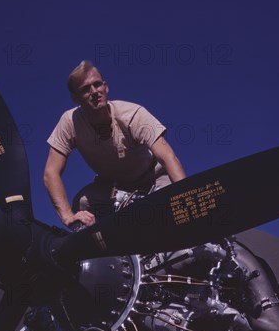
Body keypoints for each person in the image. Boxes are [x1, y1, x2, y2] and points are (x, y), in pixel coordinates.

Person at [44, 60, 186, 227]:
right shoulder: (69, 122)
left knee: (175, 208)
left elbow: (168, 157)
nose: (94, 91)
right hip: (113, 187)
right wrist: (68, 217)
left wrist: (185, 196)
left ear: (106, 87)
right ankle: (109, 245)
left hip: (153, 178)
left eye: (97, 85)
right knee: (83, 203)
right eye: (85, 89)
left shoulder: (133, 114)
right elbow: (50, 173)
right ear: (75, 98)